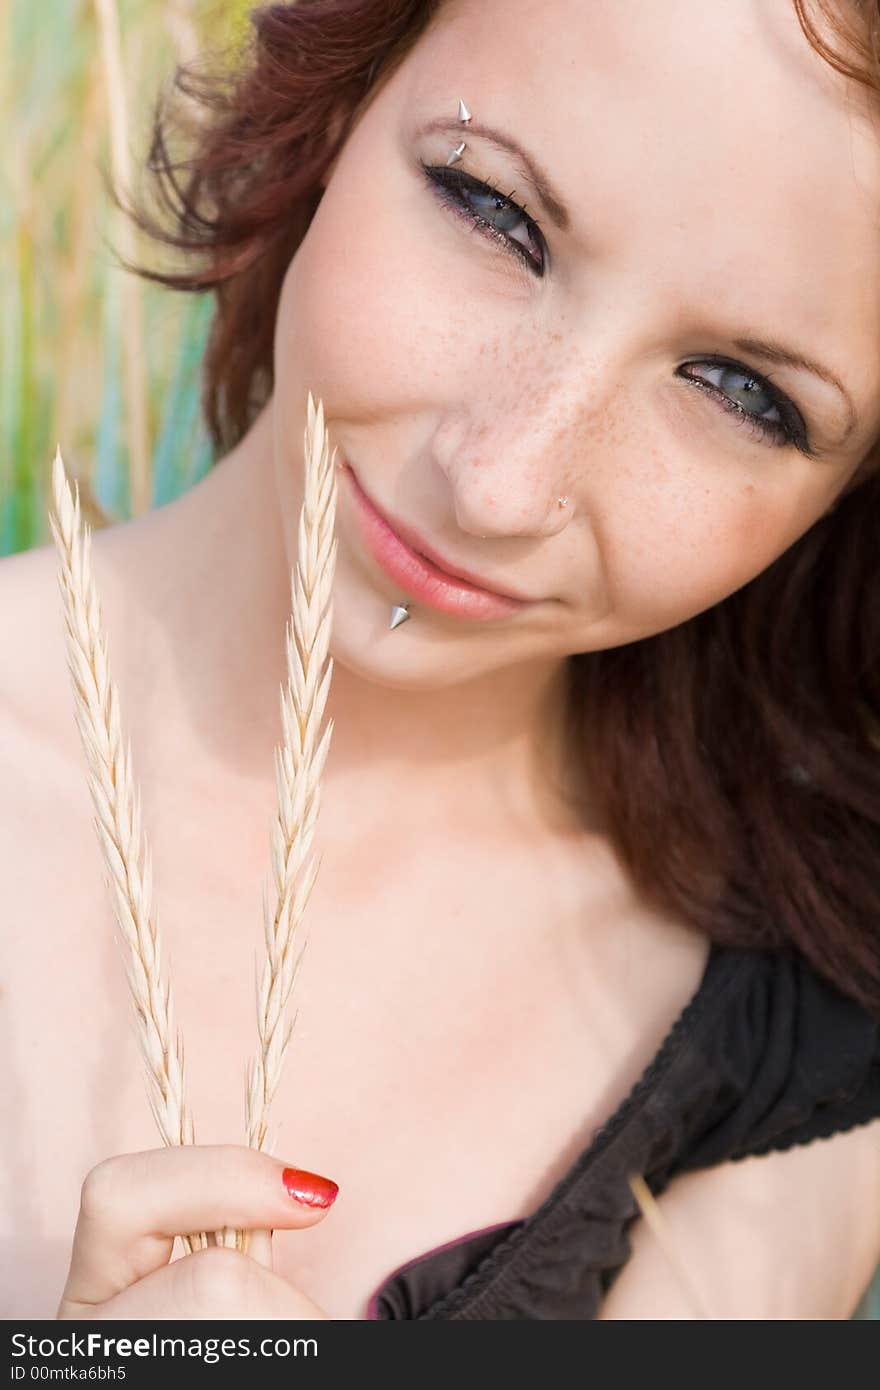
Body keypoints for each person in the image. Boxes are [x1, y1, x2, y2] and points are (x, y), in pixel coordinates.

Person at [2, 0, 880, 1321]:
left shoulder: (803, 1037)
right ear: (348, 89)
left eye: (740, 392)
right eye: (492, 213)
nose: (501, 484)